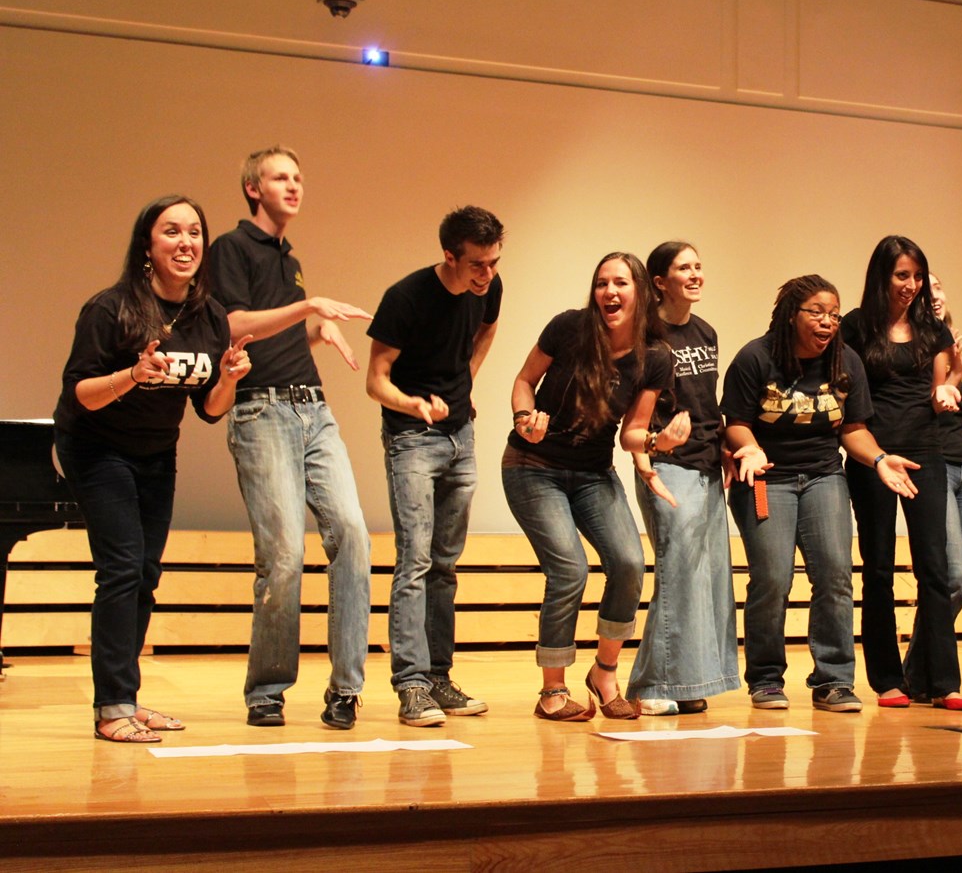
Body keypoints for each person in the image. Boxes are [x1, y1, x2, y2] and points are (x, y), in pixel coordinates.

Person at [54, 196, 251, 743]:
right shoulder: (110, 309)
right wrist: (133, 375)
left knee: (144, 572)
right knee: (121, 568)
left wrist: (229, 377)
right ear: (148, 245)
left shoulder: (209, 316)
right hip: (95, 447)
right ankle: (111, 707)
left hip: (156, 451)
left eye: (194, 232)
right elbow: (79, 395)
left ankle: (126, 698)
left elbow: (209, 410)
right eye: (172, 232)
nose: (186, 243)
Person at [211, 146, 373, 729]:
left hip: (313, 410)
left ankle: (346, 689)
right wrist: (308, 305)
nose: (294, 185)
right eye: (280, 177)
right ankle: (267, 691)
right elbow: (234, 325)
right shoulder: (231, 248)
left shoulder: (290, 258)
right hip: (261, 412)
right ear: (253, 188)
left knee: (353, 535)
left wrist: (314, 331)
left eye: (299, 177)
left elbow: (274, 336)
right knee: (283, 554)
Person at [722, 275, 923, 712]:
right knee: (773, 578)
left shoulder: (846, 361)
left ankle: (833, 680)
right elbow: (735, 422)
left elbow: (854, 429)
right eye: (817, 312)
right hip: (766, 477)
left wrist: (879, 459)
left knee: (834, 574)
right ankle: (766, 679)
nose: (828, 321)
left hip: (823, 476)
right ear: (791, 315)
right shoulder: (755, 358)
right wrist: (750, 448)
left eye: (834, 314)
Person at [502, 252, 686, 722]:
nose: (609, 292)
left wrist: (657, 442)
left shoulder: (655, 357)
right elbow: (524, 380)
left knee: (628, 563)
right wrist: (524, 418)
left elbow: (632, 433)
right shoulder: (569, 327)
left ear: (640, 292)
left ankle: (604, 674)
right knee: (570, 569)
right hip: (533, 464)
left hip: (592, 474)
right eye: (602, 283)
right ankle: (552, 690)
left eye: (620, 283)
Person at [366, 206, 503, 726]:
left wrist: (464, 381)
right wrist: (414, 404)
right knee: (416, 561)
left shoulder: (490, 287)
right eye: (477, 264)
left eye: (494, 262)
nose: (486, 274)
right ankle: (412, 685)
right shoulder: (406, 298)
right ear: (449, 256)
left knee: (445, 564)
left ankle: (439, 678)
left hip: (461, 436)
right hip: (411, 438)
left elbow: (487, 329)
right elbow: (375, 380)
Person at [841, 237, 962, 711]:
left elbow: (937, 390)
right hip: (873, 455)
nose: (911, 285)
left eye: (917, 276)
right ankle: (887, 679)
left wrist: (947, 392)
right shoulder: (855, 327)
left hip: (925, 451)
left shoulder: (932, 328)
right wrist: (871, 455)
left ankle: (943, 681)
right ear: (882, 276)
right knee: (877, 567)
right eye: (902, 275)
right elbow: (846, 393)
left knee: (934, 567)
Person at [625, 242, 739, 716]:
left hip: (708, 464)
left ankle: (686, 680)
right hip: (667, 465)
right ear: (659, 282)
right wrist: (647, 461)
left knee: (706, 577)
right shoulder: (646, 336)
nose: (695, 275)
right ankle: (652, 686)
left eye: (698, 266)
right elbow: (634, 415)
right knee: (678, 574)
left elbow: (705, 402)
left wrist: (724, 446)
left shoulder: (705, 331)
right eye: (683, 268)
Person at [903, 275, 962, 701]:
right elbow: (929, 406)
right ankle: (921, 672)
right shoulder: (915, 345)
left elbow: (961, 421)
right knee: (949, 576)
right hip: (935, 465)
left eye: (938, 287)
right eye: (926, 288)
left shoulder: (953, 343)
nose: (934, 295)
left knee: (960, 582)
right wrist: (952, 373)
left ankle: (917, 672)